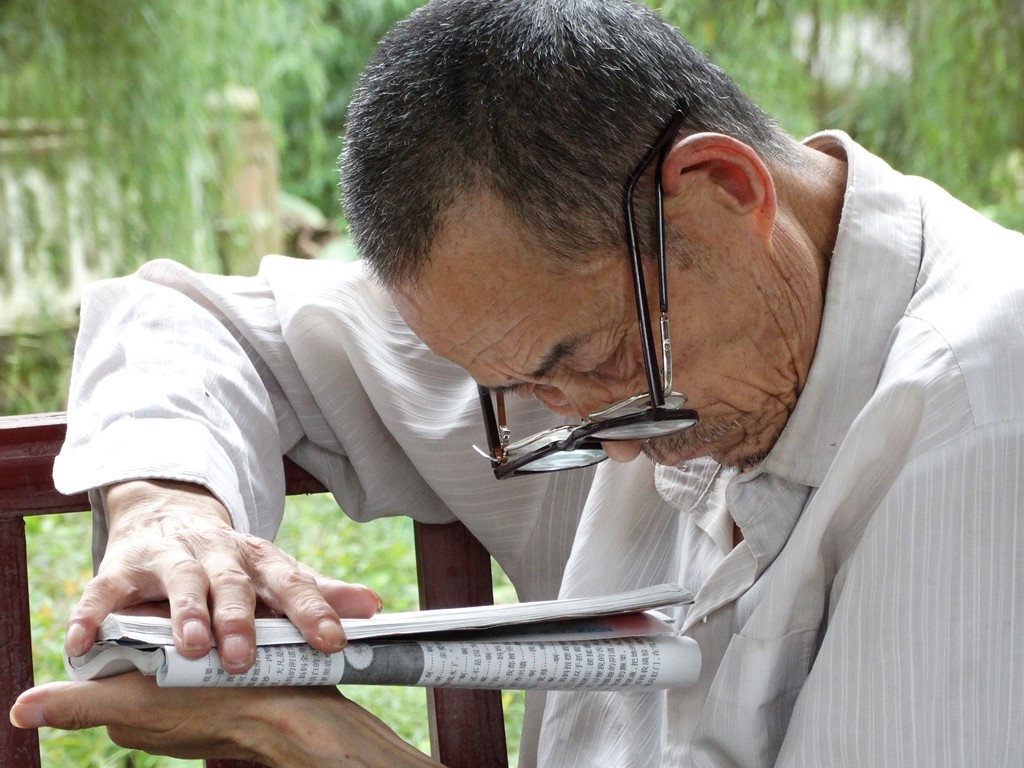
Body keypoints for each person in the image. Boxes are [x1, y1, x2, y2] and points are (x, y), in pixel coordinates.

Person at [10, 0, 1024, 765]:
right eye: (512, 384)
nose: (608, 445)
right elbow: (178, 317)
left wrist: (312, 738)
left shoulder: (984, 407)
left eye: (582, 360)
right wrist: (167, 508)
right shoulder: (580, 325)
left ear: (724, 193)